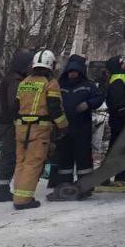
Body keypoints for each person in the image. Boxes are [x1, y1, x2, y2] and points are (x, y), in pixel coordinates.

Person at [11, 50, 67, 210]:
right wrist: (63, 126)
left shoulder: (24, 82)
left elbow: (15, 107)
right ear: (51, 65)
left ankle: (18, 194)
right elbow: (54, 108)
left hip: (21, 127)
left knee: (20, 161)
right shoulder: (51, 83)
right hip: (39, 128)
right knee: (33, 163)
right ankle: (23, 200)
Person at [49, 54, 101, 191]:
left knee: (83, 157)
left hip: (82, 126)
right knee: (65, 157)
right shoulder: (60, 85)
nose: (72, 74)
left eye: (75, 72)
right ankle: (64, 185)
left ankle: (85, 185)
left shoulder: (87, 85)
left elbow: (98, 98)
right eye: (70, 72)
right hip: (63, 127)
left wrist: (88, 104)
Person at [0, 48, 33, 203]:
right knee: (9, 157)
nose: (31, 68)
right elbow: (14, 103)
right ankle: (1, 190)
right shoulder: (15, 81)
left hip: (9, 123)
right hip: (11, 124)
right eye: (29, 64)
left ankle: (2, 188)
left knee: (10, 156)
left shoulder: (12, 78)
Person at [103, 56, 125, 183]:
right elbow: (119, 101)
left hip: (122, 118)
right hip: (120, 119)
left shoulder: (123, 76)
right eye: (123, 63)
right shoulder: (118, 79)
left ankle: (121, 175)